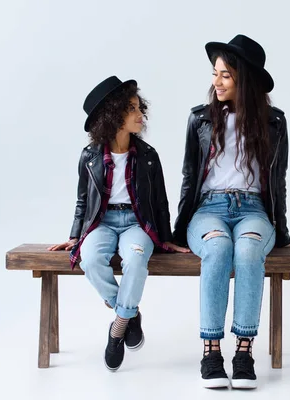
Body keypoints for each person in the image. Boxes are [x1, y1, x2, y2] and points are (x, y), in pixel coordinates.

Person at [173, 35, 290, 389]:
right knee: (216, 247)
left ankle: (244, 352)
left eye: (225, 75)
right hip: (209, 209)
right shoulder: (199, 119)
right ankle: (211, 352)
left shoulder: (274, 122)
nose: (216, 82)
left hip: (254, 210)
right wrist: (177, 233)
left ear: (244, 79)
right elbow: (188, 177)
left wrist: (283, 233)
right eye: (215, 74)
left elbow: (278, 181)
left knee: (247, 249)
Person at [49, 76, 188, 371]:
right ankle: (130, 312)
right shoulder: (90, 156)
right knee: (89, 258)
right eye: (132, 110)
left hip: (137, 222)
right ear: (114, 115)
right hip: (102, 222)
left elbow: (160, 202)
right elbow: (83, 202)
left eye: (140, 108)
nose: (141, 116)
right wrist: (76, 236)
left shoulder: (148, 156)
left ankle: (117, 330)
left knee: (136, 259)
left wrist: (167, 238)